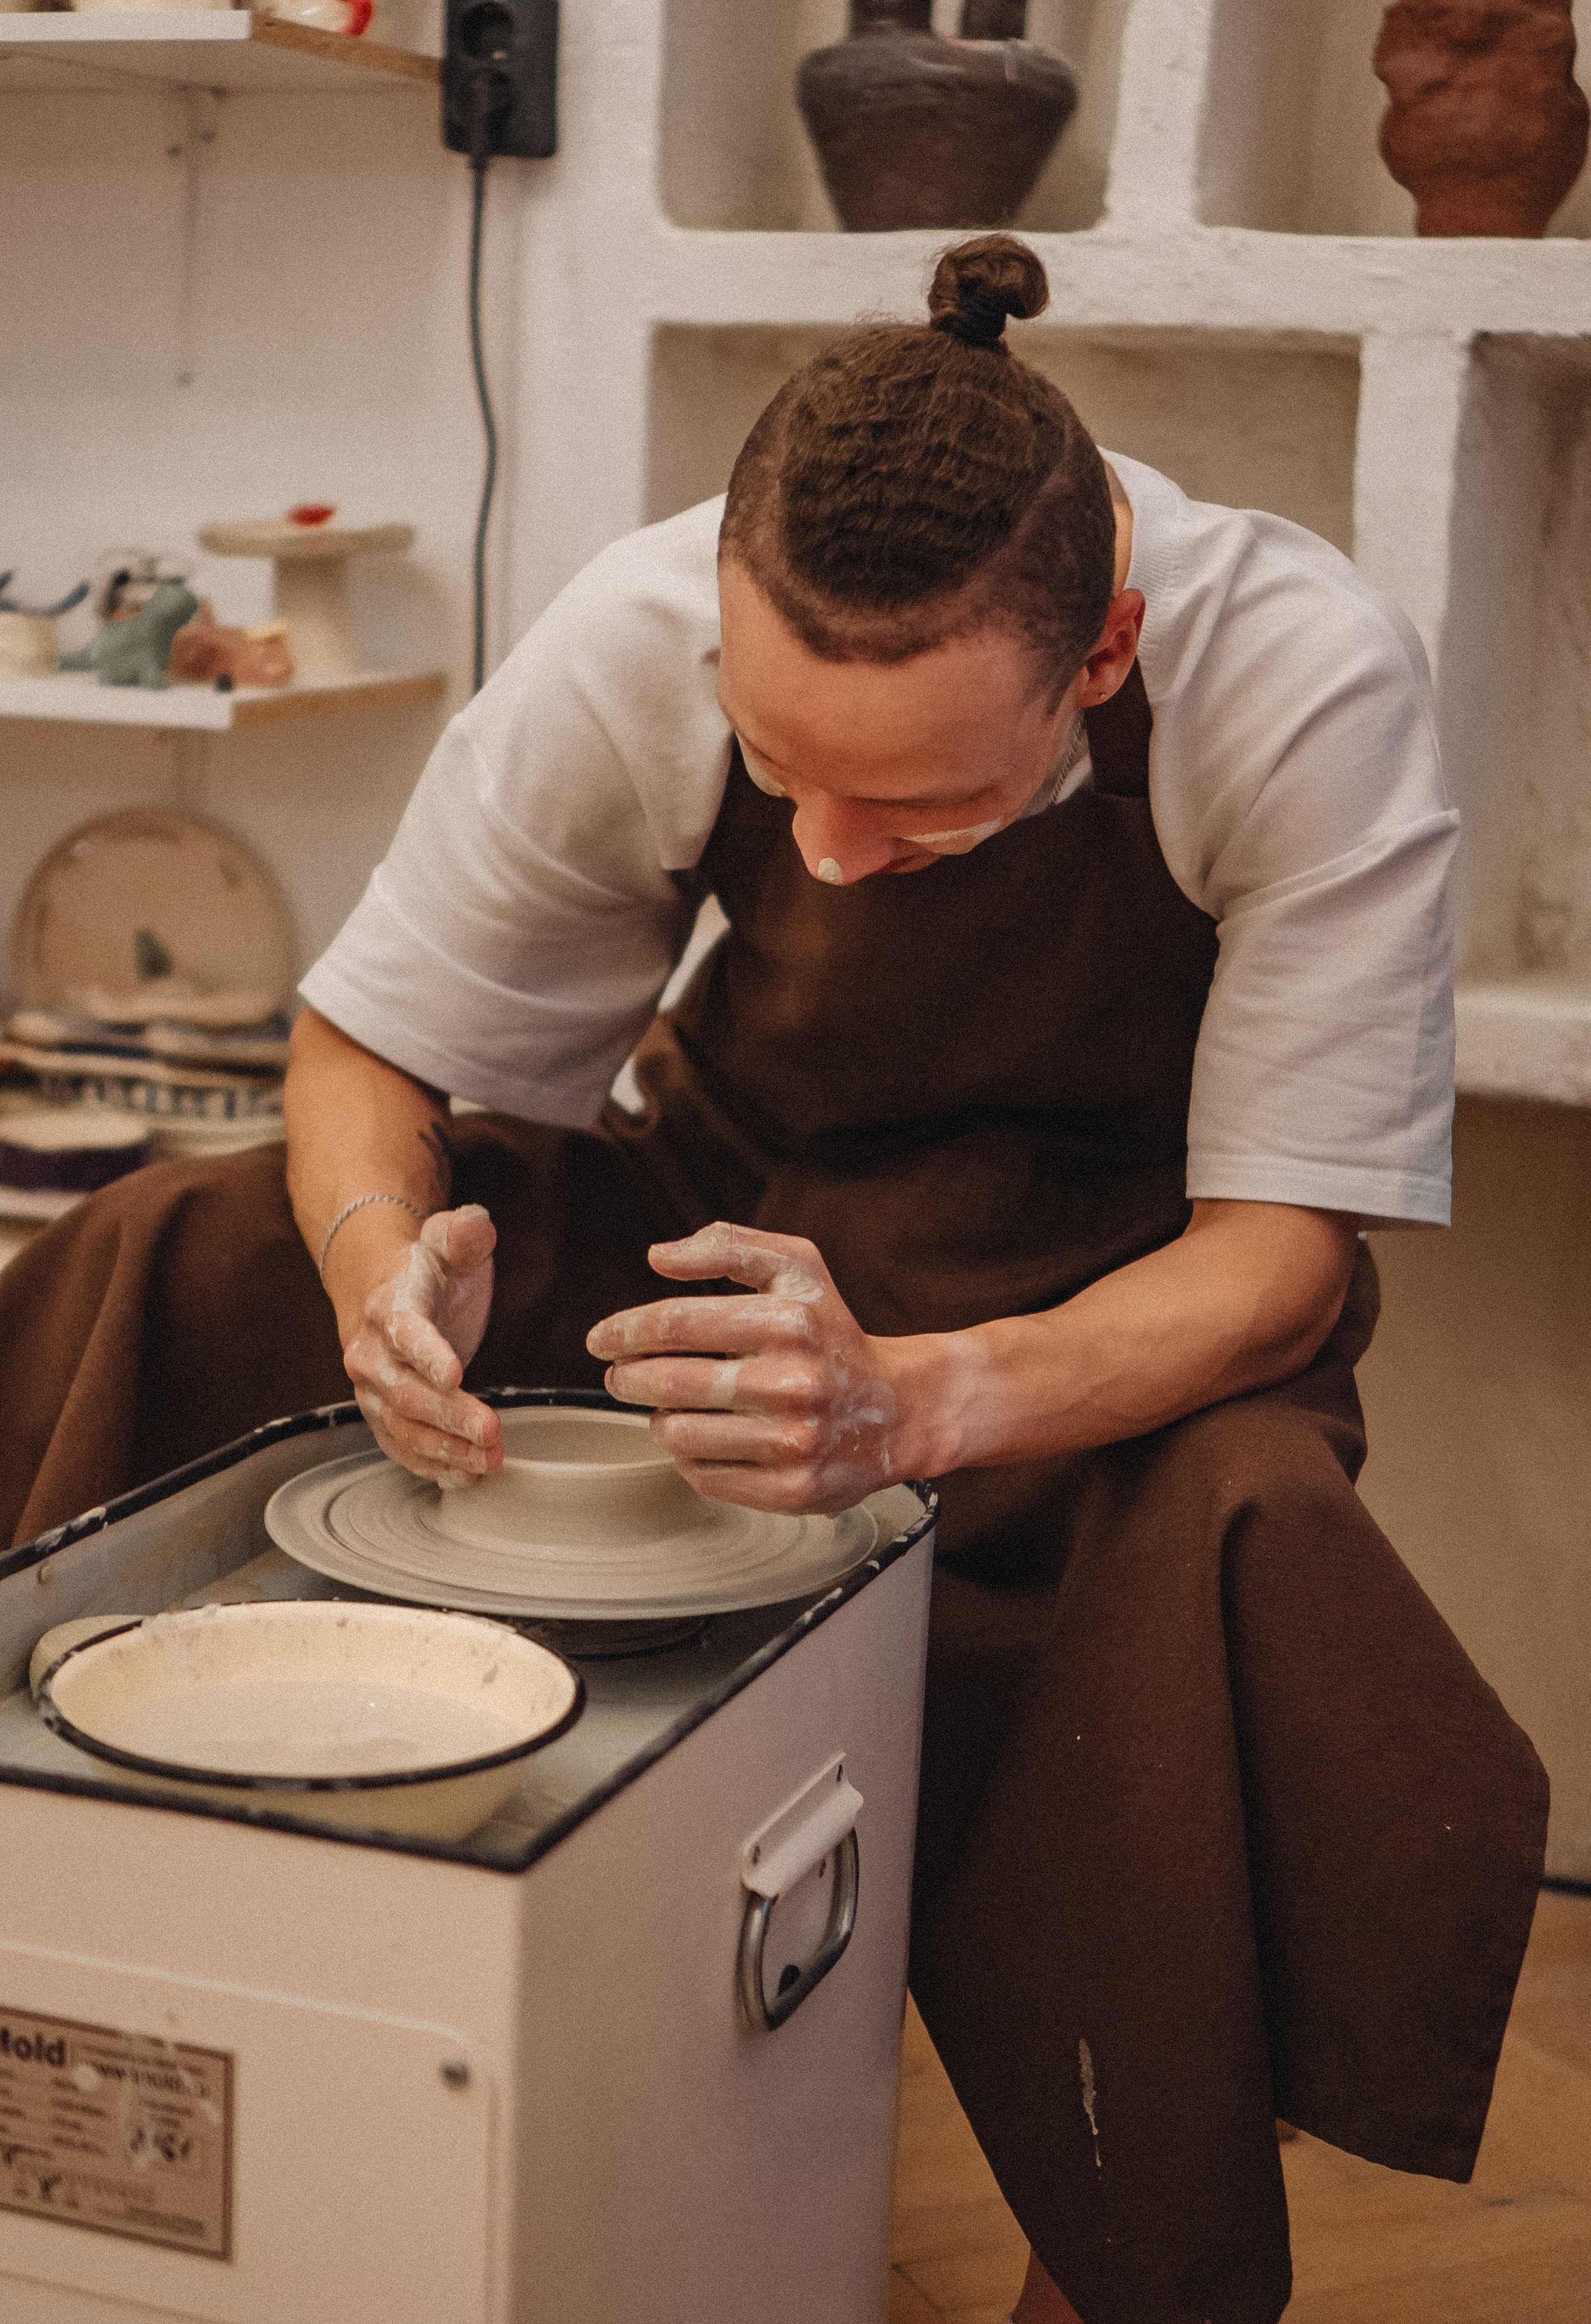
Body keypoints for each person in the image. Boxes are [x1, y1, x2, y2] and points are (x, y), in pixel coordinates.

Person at [0, 236, 1546, 2324]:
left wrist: (911, 1402)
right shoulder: (641, 624)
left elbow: (1278, 1264)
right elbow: (369, 1052)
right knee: (174, 1247)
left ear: (1104, 653)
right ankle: (110, 1927)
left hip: (1102, 1315)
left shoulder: (1296, 679)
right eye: (777, 763)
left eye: (915, 802)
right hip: (729, 1217)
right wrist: (382, 1270)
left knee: (1250, 1532)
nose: (819, 849)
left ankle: (1126, 2243)